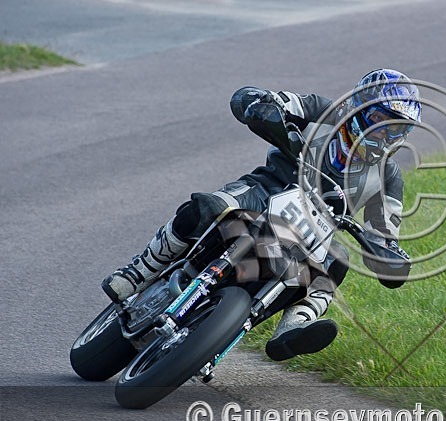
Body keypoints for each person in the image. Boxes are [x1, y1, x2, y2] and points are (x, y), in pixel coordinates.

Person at [102, 68, 421, 360]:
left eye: (396, 129)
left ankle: (293, 329)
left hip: (314, 231)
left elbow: (385, 233)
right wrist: (262, 106)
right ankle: (137, 273)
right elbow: (262, 100)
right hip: (266, 189)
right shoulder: (322, 111)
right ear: (358, 109)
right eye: (380, 121)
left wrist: (390, 255)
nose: (384, 135)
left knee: (339, 260)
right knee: (209, 207)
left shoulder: (389, 177)